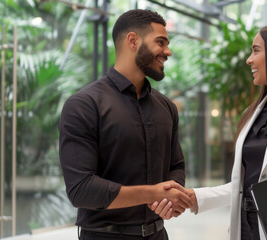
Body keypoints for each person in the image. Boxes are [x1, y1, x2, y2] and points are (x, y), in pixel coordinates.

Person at [150, 22, 267, 240]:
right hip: (245, 227)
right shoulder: (253, 114)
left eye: (256, 50)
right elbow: (244, 186)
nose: (249, 59)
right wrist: (194, 197)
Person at [59, 9, 193, 240]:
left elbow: (176, 164)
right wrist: (153, 193)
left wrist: (170, 197)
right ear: (133, 40)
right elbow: (81, 189)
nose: (167, 52)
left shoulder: (166, 107)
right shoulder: (84, 105)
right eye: (160, 42)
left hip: (158, 235)